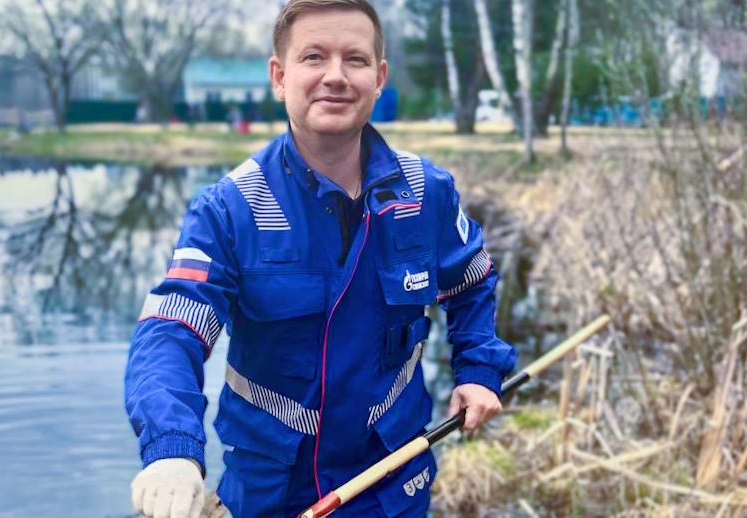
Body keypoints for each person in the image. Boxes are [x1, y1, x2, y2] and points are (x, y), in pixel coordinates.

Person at [124, 1, 516, 516]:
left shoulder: (426, 193)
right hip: (270, 497)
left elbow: (471, 283)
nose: (335, 76)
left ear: (379, 79)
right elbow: (172, 329)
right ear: (279, 77)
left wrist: (478, 369)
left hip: (392, 487)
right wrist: (171, 448)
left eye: (355, 59)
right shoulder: (230, 208)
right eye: (314, 57)